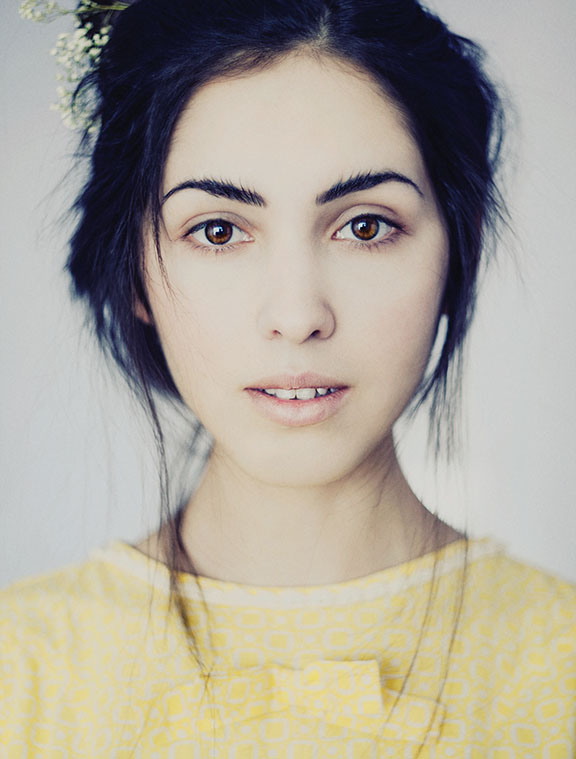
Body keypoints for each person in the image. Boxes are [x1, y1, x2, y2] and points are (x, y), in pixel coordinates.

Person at [2, 0, 575, 756]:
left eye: (365, 226)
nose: (298, 314)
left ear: (455, 254)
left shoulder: (559, 664)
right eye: (218, 230)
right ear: (134, 270)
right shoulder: (22, 674)